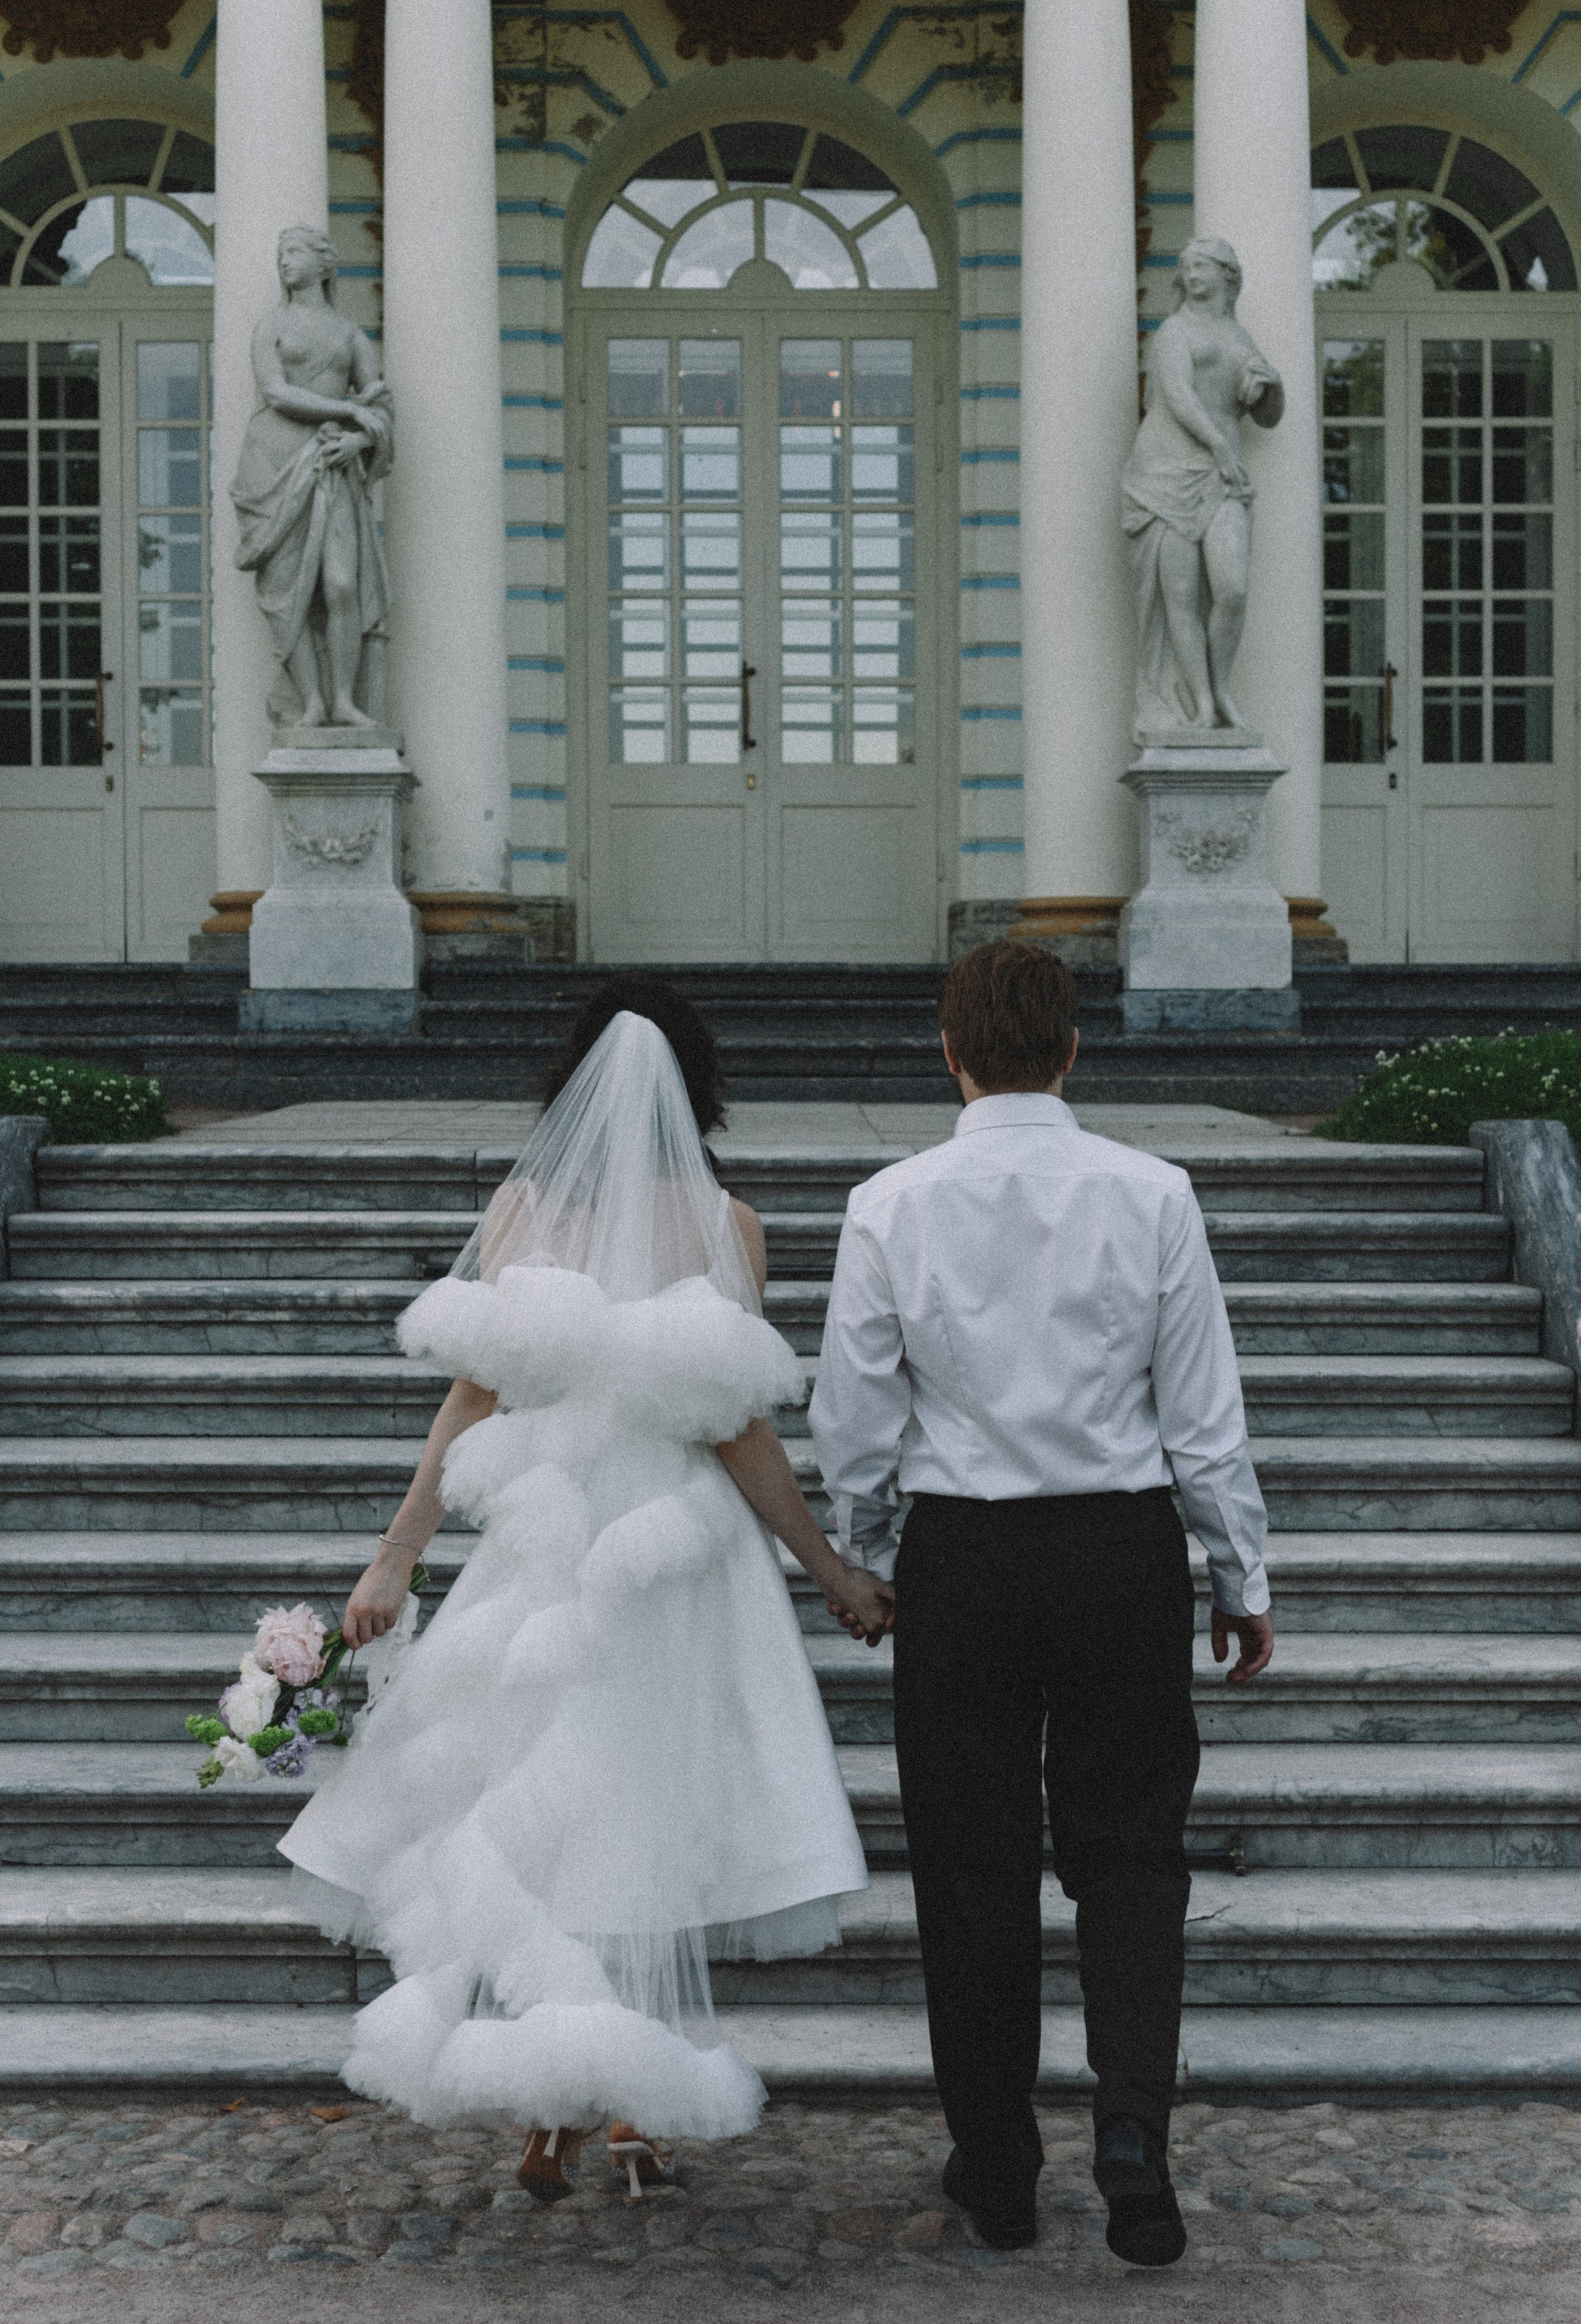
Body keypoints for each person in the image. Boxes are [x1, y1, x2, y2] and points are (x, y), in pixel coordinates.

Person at [281, 976, 891, 2199]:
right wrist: (827, 1570)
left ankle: (553, 2113)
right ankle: (622, 2106)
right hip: (672, 1559)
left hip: (544, 1551)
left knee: (540, 1820)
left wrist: (397, 1553)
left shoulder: (521, 1211)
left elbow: (472, 1393)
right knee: (642, 1817)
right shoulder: (727, 1225)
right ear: (698, 1089)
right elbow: (735, 1434)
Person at [810, 940, 1273, 2263]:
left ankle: (998, 2167)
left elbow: (853, 1414)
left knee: (971, 1866)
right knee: (1131, 1858)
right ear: (1071, 1050)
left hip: (963, 1559)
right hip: (1118, 1553)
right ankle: (1131, 2130)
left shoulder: (888, 1204)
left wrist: (867, 1552)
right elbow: (1202, 1417)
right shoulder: (1153, 1193)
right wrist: (1236, 1573)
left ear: (950, 1056)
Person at [230, 224, 393, 729]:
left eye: (295, 252)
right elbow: (276, 393)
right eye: (282, 254)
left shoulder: (349, 334)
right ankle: (313, 703)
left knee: (341, 585)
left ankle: (343, 699)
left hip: (332, 461)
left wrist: (359, 440)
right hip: (273, 462)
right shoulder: (270, 325)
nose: (285, 262)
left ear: (325, 264)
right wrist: (346, 411)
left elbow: (382, 406)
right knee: (285, 591)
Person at [1122, 235, 1284, 732]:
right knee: (1182, 598)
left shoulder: (1241, 338)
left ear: (1226, 275)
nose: (1192, 276)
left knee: (1232, 589)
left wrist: (1272, 386)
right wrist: (1219, 446)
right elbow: (1177, 397)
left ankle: (1220, 687)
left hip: (1221, 475)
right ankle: (1204, 704)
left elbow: (1269, 418)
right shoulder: (1175, 331)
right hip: (1166, 471)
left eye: (1202, 267)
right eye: (1186, 267)